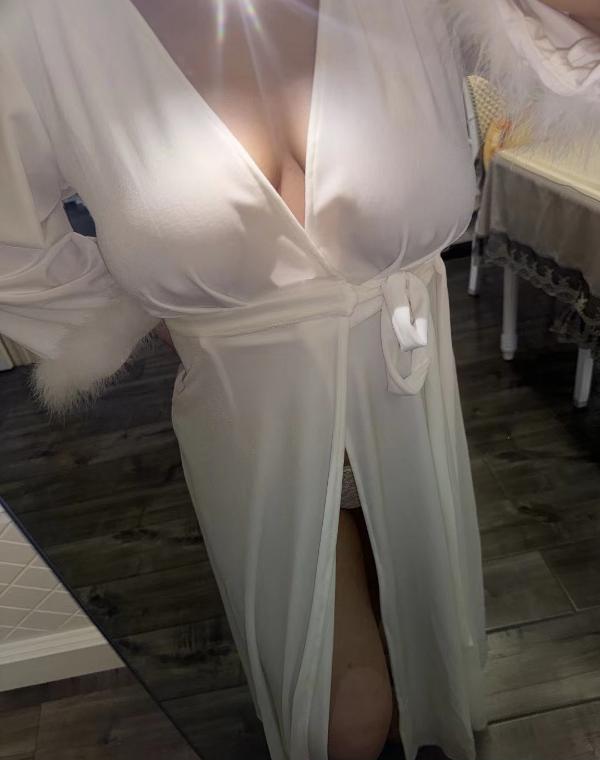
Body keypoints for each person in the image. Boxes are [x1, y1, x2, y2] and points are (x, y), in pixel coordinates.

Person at [0, 2, 598, 759]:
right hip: (250, 417)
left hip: (407, 390)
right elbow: (15, 255)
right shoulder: (40, 29)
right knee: (342, 716)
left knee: (425, 642)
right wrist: (160, 313)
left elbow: (571, 68)